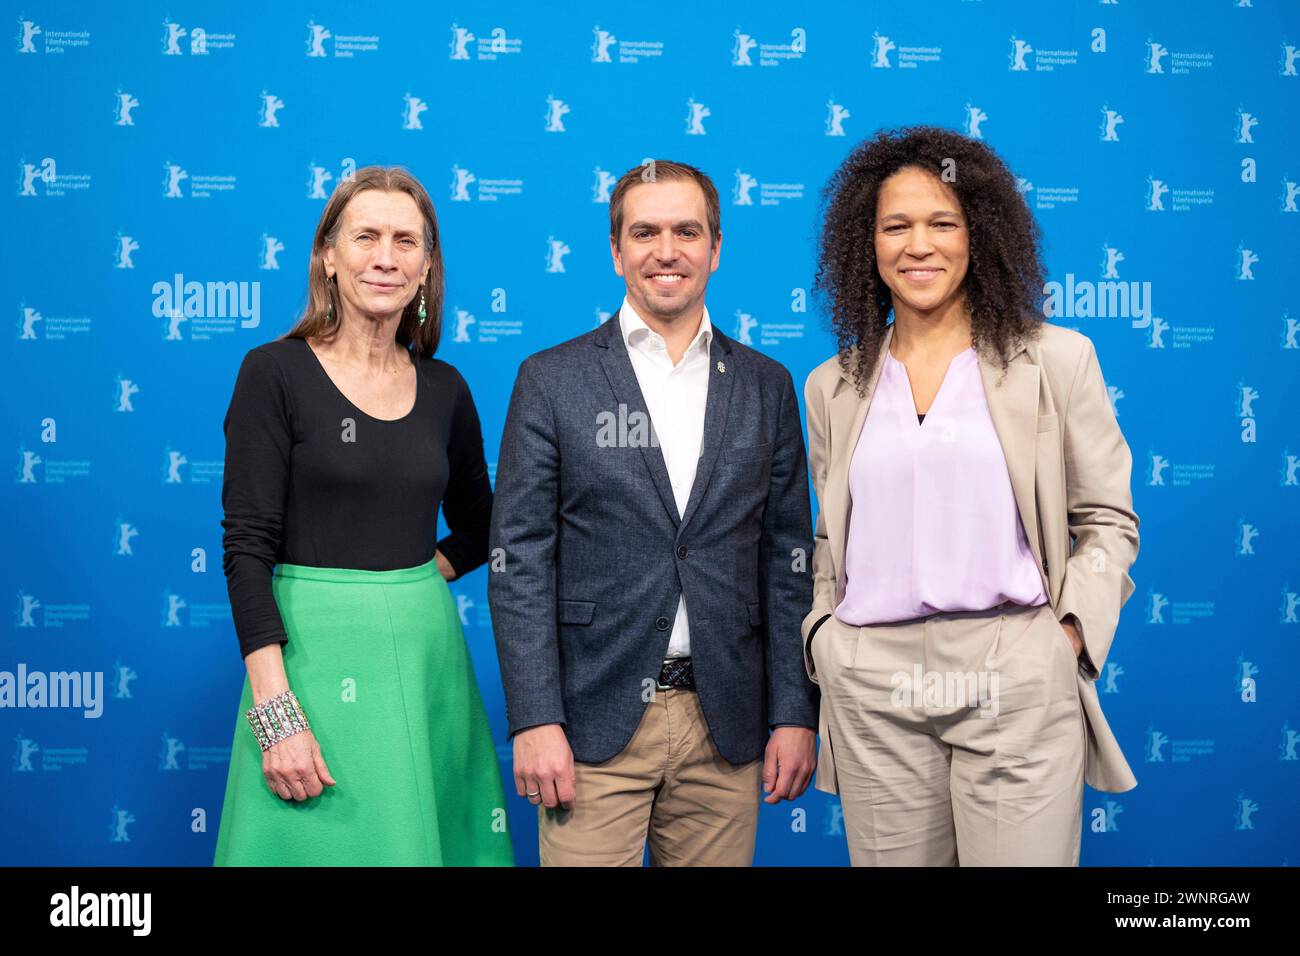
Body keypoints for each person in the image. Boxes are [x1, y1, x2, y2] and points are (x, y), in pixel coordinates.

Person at [803, 127, 1139, 866]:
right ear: (868, 244)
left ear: (979, 234)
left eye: (941, 223)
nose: (918, 245)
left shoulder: (1057, 359)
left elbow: (1107, 520)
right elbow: (830, 539)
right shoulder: (832, 385)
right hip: (872, 680)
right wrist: (826, 641)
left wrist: (1068, 638)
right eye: (896, 226)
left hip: (1013, 666)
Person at [488, 159, 819, 866]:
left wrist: (795, 713)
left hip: (725, 725)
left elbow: (788, 565)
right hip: (590, 724)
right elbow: (518, 563)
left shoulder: (766, 386)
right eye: (645, 232)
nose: (666, 251)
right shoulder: (551, 380)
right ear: (616, 251)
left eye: (686, 231)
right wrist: (536, 718)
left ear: (715, 248)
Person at [213, 165, 513, 866]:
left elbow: (487, 523)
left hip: (426, 664)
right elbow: (246, 549)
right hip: (306, 668)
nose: (386, 256)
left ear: (427, 264)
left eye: (406, 240)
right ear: (328, 255)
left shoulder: (446, 388)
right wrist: (276, 717)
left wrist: (407, 580)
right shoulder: (273, 373)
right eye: (366, 236)